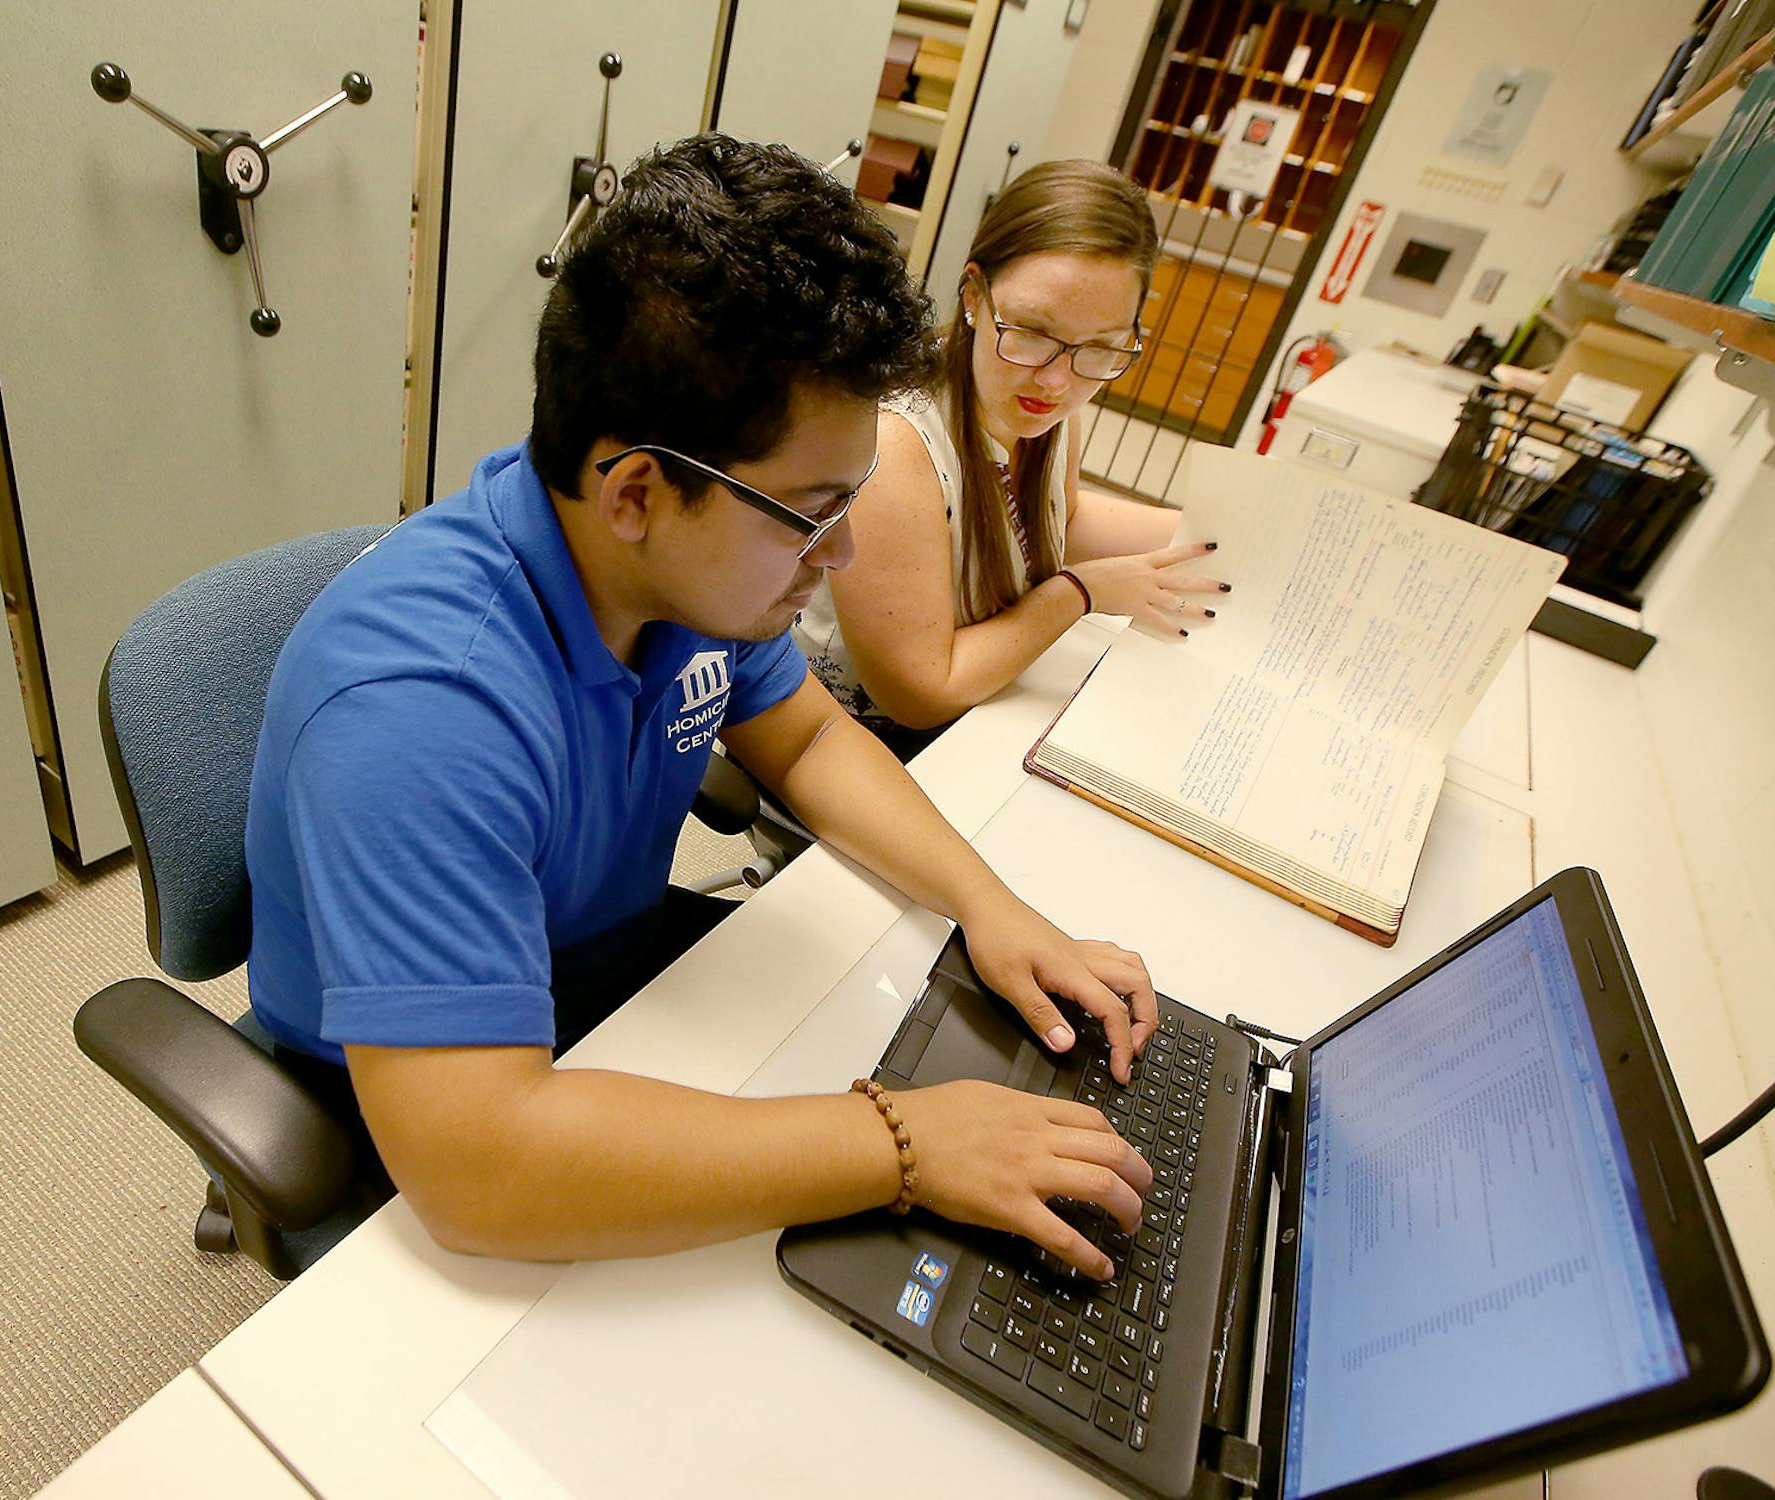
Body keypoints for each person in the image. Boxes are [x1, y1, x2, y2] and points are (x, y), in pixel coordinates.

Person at [242, 136, 1157, 1281]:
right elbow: (477, 1170)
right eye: (813, 512)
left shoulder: (672, 571)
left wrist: (989, 903)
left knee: (922, 1069)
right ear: (638, 491)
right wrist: (904, 1146)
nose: (847, 550)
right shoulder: (420, 710)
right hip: (416, 1087)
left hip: (606, 976)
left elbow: (811, 733)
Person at [794, 160, 1227, 758]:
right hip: (861, 740)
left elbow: (1059, 519)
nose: (1056, 380)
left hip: (980, 705)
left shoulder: (1047, 388)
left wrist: (1223, 539)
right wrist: (1076, 593)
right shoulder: (897, 443)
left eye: (1100, 348)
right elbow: (921, 694)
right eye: (1031, 330)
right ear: (974, 295)